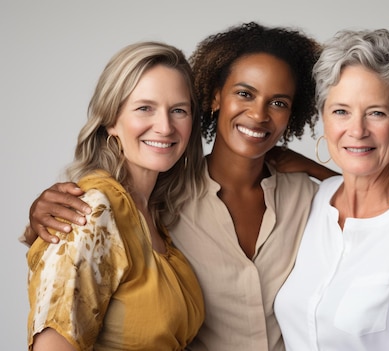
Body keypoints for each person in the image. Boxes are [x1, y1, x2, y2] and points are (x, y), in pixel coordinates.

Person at [22, 23, 333, 351]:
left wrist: (319, 170)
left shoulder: (307, 197)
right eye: (244, 93)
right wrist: (39, 218)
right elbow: (70, 269)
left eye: (279, 103)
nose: (258, 113)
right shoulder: (147, 203)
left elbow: (376, 217)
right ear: (215, 97)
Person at [274, 28, 389, 350]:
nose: (357, 130)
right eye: (341, 112)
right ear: (324, 119)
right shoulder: (317, 199)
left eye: (376, 113)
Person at [26, 41, 207, 350]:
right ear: (111, 120)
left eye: (178, 110)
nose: (164, 127)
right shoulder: (91, 211)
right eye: (144, 108)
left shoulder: (156, 212)